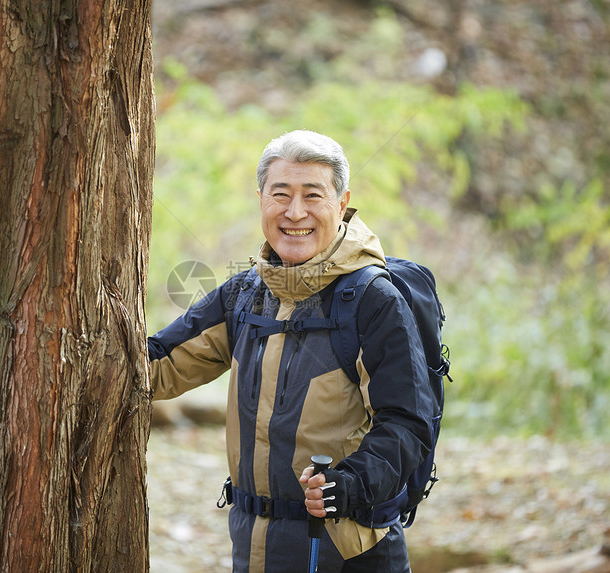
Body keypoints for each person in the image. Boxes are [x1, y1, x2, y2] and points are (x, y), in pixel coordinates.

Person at [148, 130, 437, 572]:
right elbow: (158, 366)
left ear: (341, 205)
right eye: (280, 194)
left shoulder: (372, 299)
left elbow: (407, 423)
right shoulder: (245, 293)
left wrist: (350, 484)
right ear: (261, 198)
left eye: (312, 195)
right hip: (255, 546)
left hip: (346, 550)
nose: (295, 212)